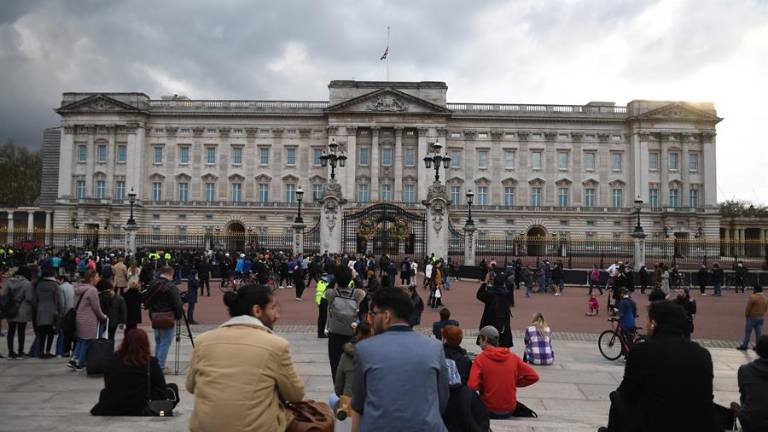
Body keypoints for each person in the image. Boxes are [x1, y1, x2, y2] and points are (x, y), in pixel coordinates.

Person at [187, 282, 304, 430]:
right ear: (257, 310)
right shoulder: (275, 345)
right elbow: (295, 394)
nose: (277, 315)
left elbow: (190, 386)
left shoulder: (203, 341)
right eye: (273, 308)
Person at [598, 301, 718, 432]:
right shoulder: (702, 354)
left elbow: (627, 393)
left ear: (653, 324)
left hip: (654, 424)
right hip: (696, 424)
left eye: (648, 321)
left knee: (617, 399)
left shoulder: (642, 352)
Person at [351, 286, 449, 431]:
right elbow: (442, 398)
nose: (371, 320)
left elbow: (358, 403)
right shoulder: (434, 347)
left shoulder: (364, 349)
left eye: (374, 314)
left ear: (386, 316)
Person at [91, 328, 179, 416]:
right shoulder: (150, 362)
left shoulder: (113, 360)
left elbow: (108, 382)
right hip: (141, 405)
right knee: (172, 388)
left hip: (115, 403)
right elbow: (161, 386)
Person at [468, 325, 539, 419]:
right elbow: (534, 376)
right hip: (510, 409)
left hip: (488, 409)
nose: (479, 342)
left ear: (485, 339)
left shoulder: (480, 359)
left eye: (480, 339)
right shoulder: (513, 357)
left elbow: (472, 386)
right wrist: (515, 382)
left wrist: (483, 383)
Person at [324, 267, 366, 381]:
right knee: (352, 363)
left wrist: (335, 279)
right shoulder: (357, 293)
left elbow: (326, 290)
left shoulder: (332, 294)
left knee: (335, 364)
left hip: (335, 333)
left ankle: (337, 385)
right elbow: (362, 290)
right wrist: (355, 278)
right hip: (351, 332)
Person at [143, 266, 183, 371]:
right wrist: (178, 315)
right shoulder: (171, 286)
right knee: (165, 343)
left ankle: (156, 364)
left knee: (159, 342)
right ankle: (160, 366)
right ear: (170, 274)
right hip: (167, 317)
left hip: (155, 316)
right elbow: (177, 304)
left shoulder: (153, 283)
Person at [330, 321, 373, 413]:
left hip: (348, 406)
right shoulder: (377, 356)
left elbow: (338, 386)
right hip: (372, 408)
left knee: (332, 399)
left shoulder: (345, 356)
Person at [70, 270, 107, 370]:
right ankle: (79, 363)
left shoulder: (79, 288)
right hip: (89, 319)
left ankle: (74, 359)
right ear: (91, 279)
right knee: (87, 341)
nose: (98, 278)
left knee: (81, 340)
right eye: (97, 276)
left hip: (79, 317)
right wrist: (103, 316)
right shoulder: (92, 290)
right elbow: (96, 307)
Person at [732, 335, 768, 432]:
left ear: (757, 351)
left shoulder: (745, 370)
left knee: (738, 406)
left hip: (751, 422)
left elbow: (744, 398)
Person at [31, 266, 62, 358]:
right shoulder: (55, 285)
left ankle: (41, 351)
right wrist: (59, 310)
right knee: (50, 333)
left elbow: (34, 300)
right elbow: (58, 299)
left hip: (40, 311)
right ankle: (48, 351)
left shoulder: (38, 284)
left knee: (42, 333)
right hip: (52, 311)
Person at [476, 276, 515, 348]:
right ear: (503, 283)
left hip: (490, 320)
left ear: (493, 283)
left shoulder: (490, 294)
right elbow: (511, 301)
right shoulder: (507, 294)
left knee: (489, 343)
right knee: (503, 344)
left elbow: (479, 295)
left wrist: (485, 282)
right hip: (503, 322)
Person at [5, 266, 34, 359]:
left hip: (10, 308)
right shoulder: (27, 283)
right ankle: (20, 352)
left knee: (11, 331)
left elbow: (5, 294)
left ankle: (11, 352)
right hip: (22, 309)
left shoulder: (9, 281)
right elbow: (29, 298)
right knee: (21, 331)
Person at [737, 285, 766, 351]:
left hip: (752, 317)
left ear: (756, 290)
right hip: (761, 317)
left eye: (754, 289)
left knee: (748, 332)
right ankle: (758, 346)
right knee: (759, 333)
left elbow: (748, 307)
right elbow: (765, 308)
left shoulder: (753, 297)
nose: (753, 290)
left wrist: (747, 315)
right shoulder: (765, 298)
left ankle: (745, 345)